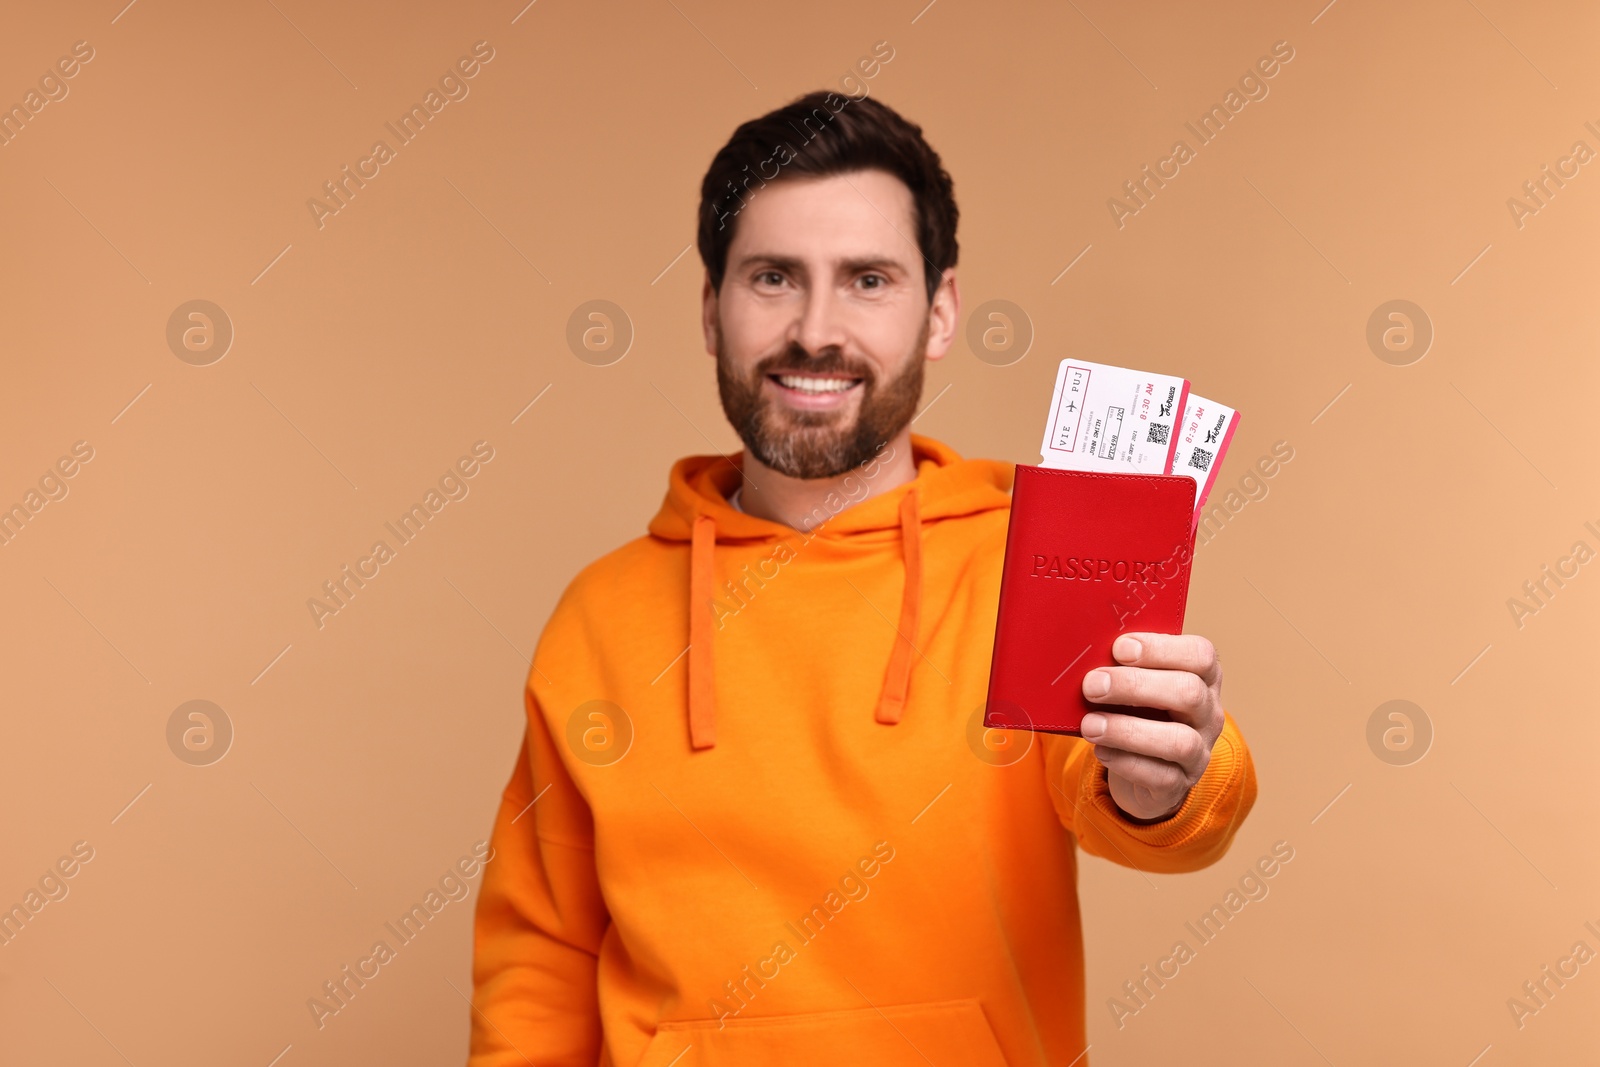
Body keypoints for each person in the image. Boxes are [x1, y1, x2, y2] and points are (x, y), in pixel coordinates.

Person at [466, 89, 1257, 1066]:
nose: (814, 329)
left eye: (868, 279)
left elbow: (1143, 808)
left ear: (940, 311)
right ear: (710, 310)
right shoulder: (602, 614)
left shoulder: (1034, 561)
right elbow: (539, 955)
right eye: (770, 277)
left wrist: (1168, 779)